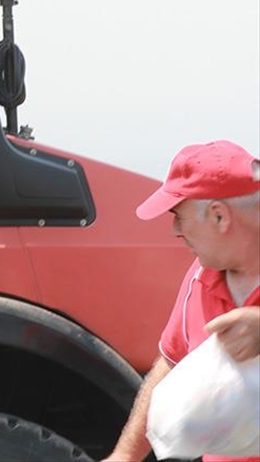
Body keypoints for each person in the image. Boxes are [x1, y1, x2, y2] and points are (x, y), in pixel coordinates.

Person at [105, 140, 260, 462]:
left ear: (219, 217)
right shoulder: (199, 276)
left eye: (179, 215)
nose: (175, 229)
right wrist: (125, 456)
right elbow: (172, 362)